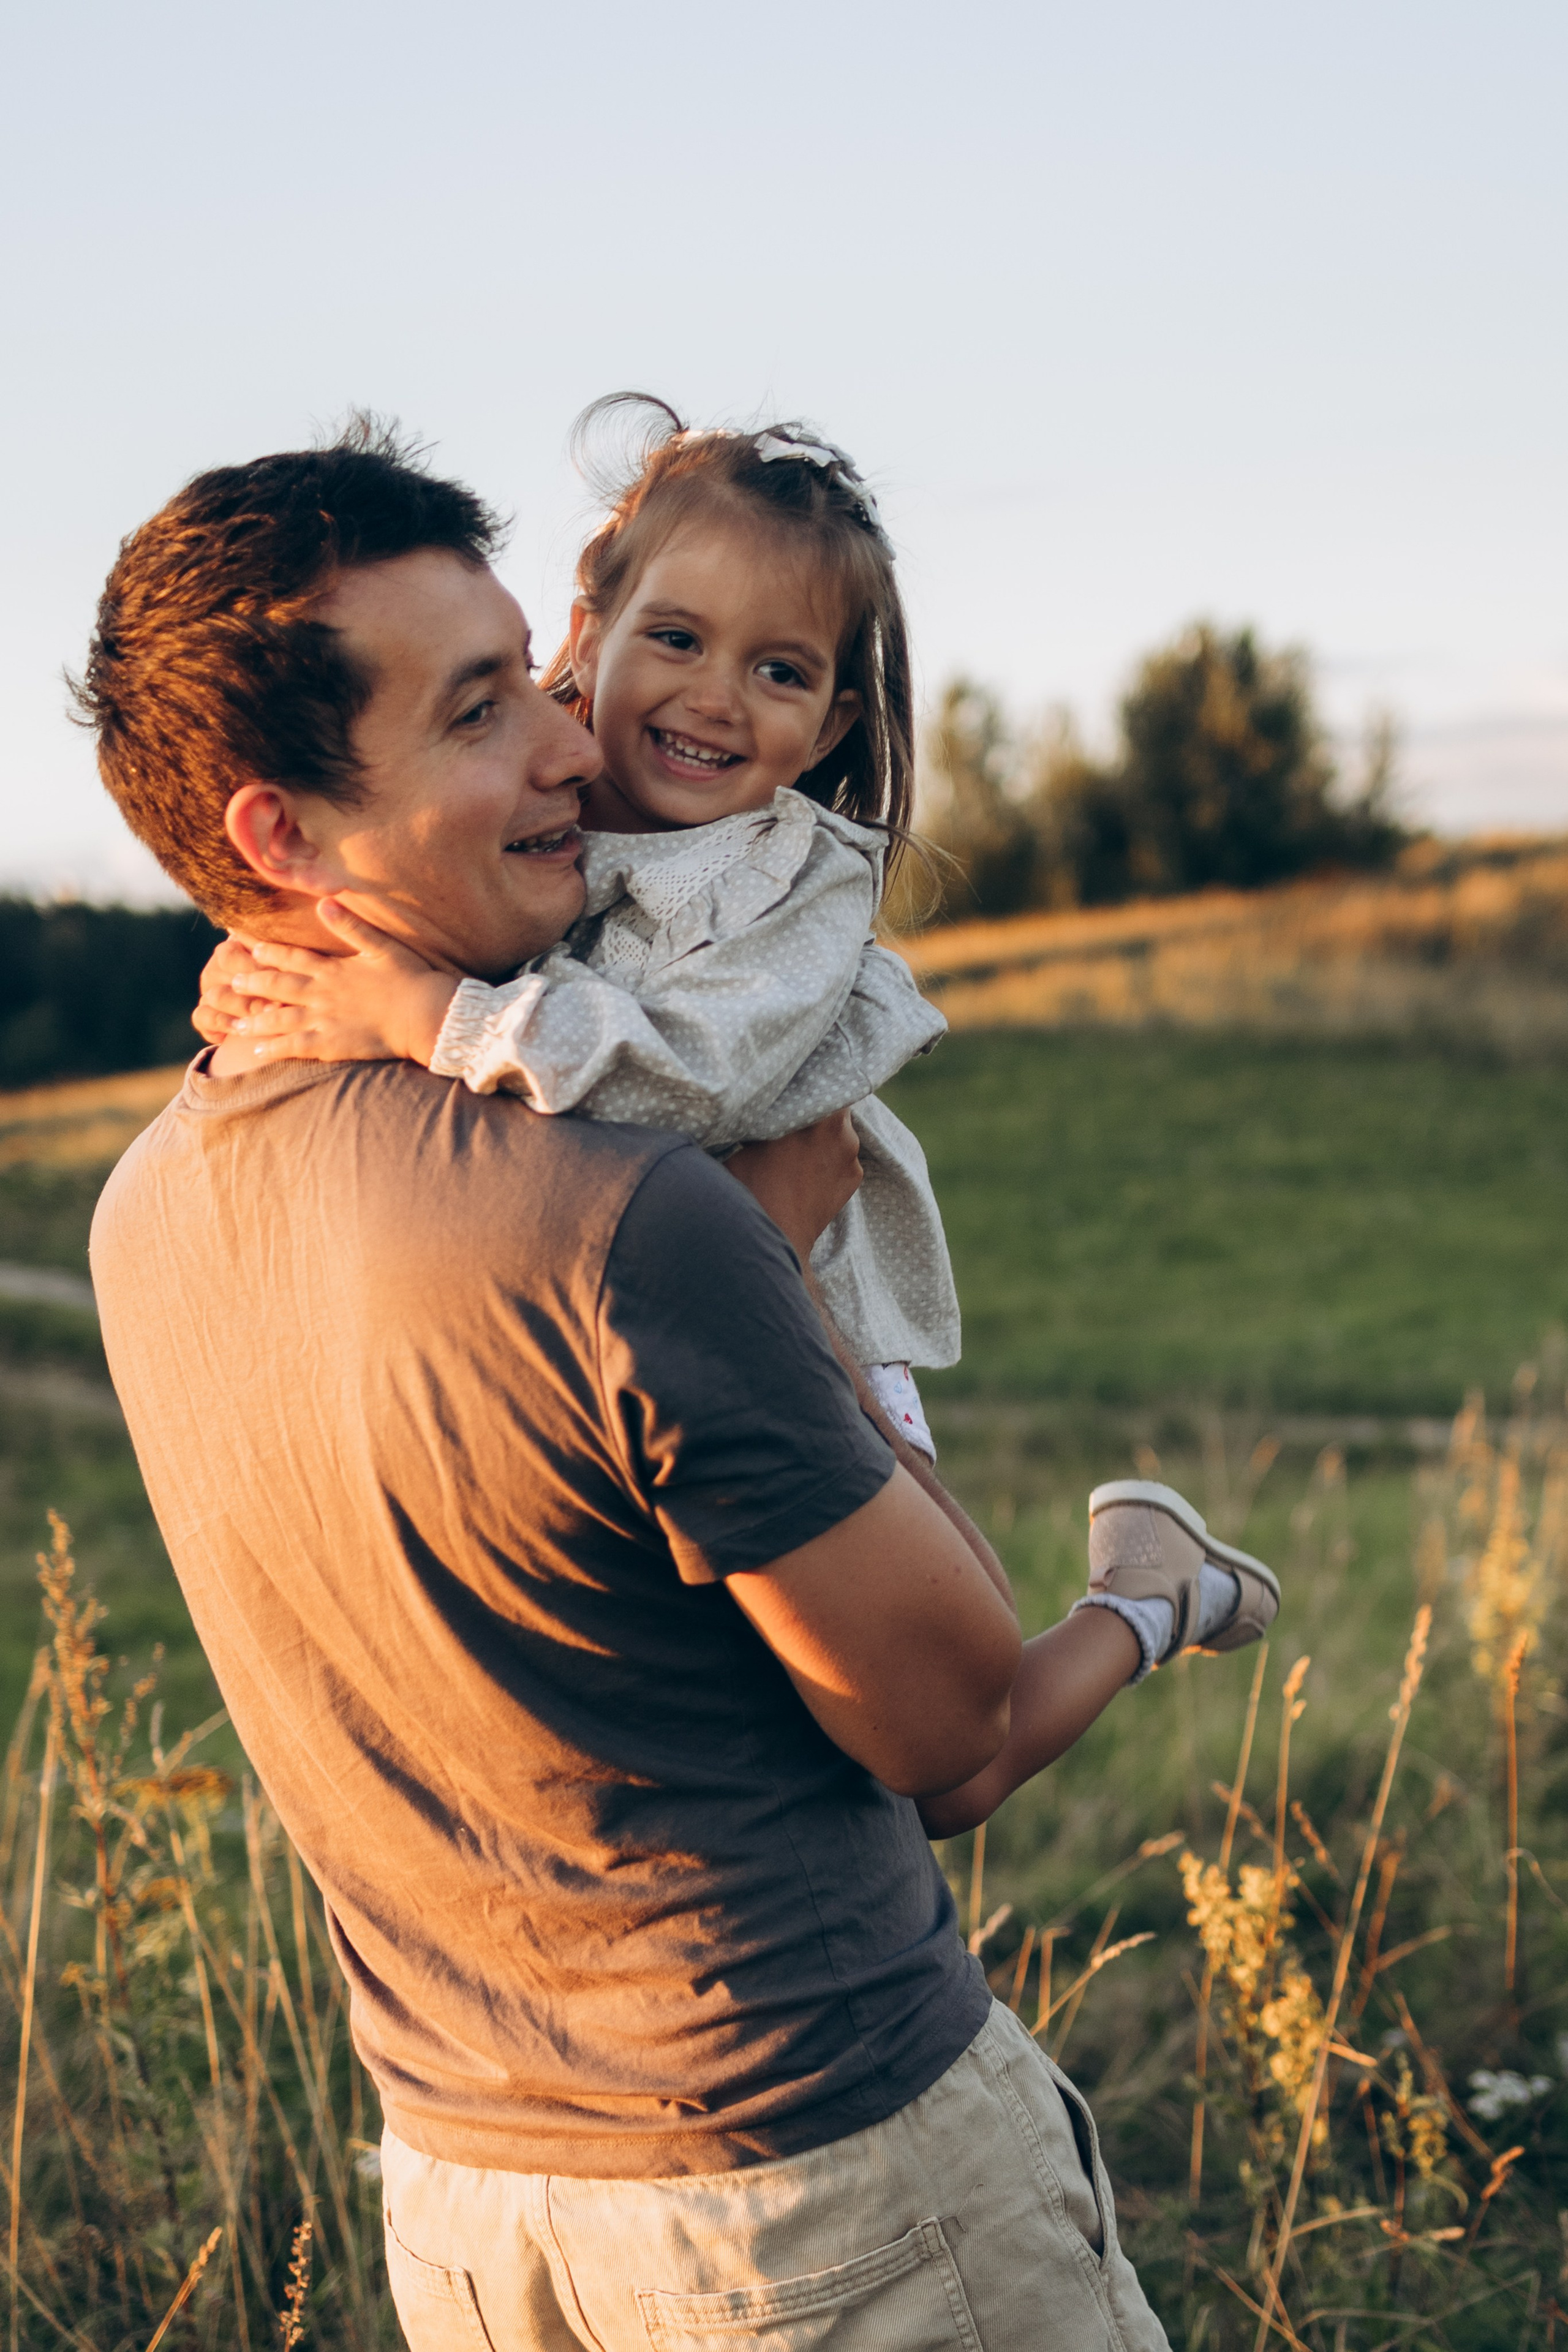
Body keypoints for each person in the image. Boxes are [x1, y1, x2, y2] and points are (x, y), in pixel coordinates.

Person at [80, 418, 1223, 2348]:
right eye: (475, 715)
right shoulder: (633, 1220)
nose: (562, 740)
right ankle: (1162, 1589)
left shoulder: (146, 1207)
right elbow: (951, 1730)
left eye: (531, 673)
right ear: (279, 833)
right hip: (822, 2202)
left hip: (466, 2213)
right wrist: (762, 1266)